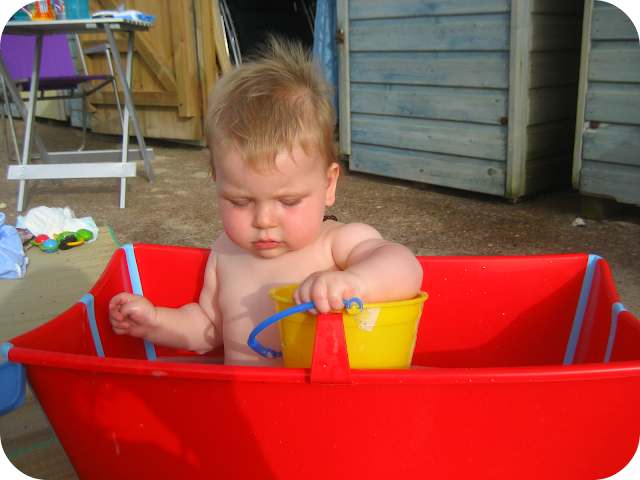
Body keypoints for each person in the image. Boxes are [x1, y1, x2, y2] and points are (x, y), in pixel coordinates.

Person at [109, 37, 423, 366]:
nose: (264, 220)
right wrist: (156, 323)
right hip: (244, 395)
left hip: (315, 396)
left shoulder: (336, 243)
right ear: (218, 184)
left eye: (289, 201)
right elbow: (210, 328)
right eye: (240, 202)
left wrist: (356, 282)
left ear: (329, 184)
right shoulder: (225, 252)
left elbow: (405, 266)